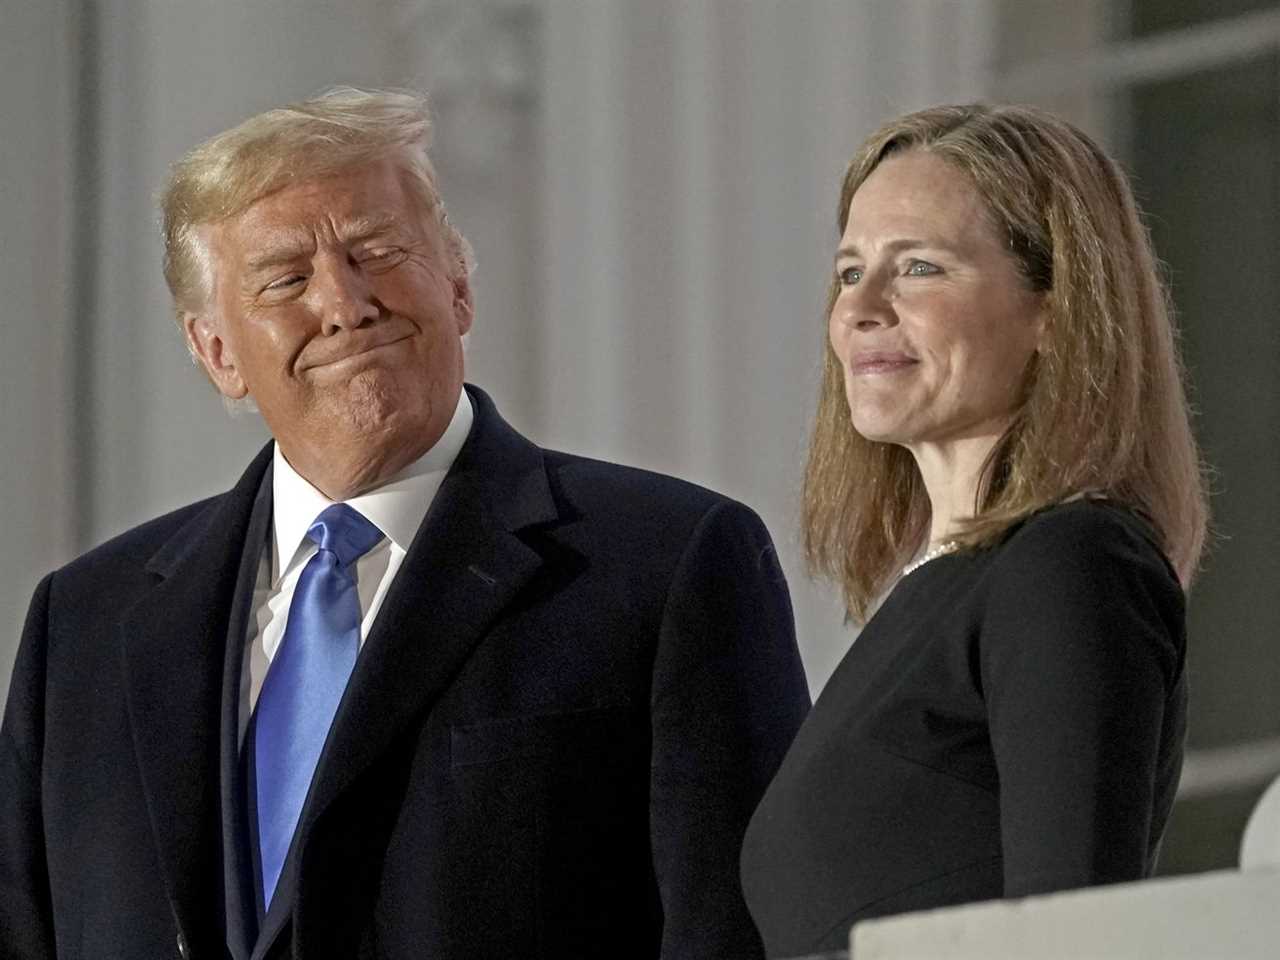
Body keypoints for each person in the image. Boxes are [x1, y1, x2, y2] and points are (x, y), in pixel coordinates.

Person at [0, 87, 810, 959]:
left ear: (458, 283)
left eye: (378, 251)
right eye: (284, 280)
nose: (345, 304)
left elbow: (737, 935)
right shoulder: (83, 625)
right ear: (217, 353)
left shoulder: (668, 563)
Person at [739, 103, 1209, 958]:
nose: (862, 309)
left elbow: (1071, 939)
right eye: (849, 273)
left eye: (918, 268)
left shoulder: (1070, 567)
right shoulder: (940, 589)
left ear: (1054, 313)